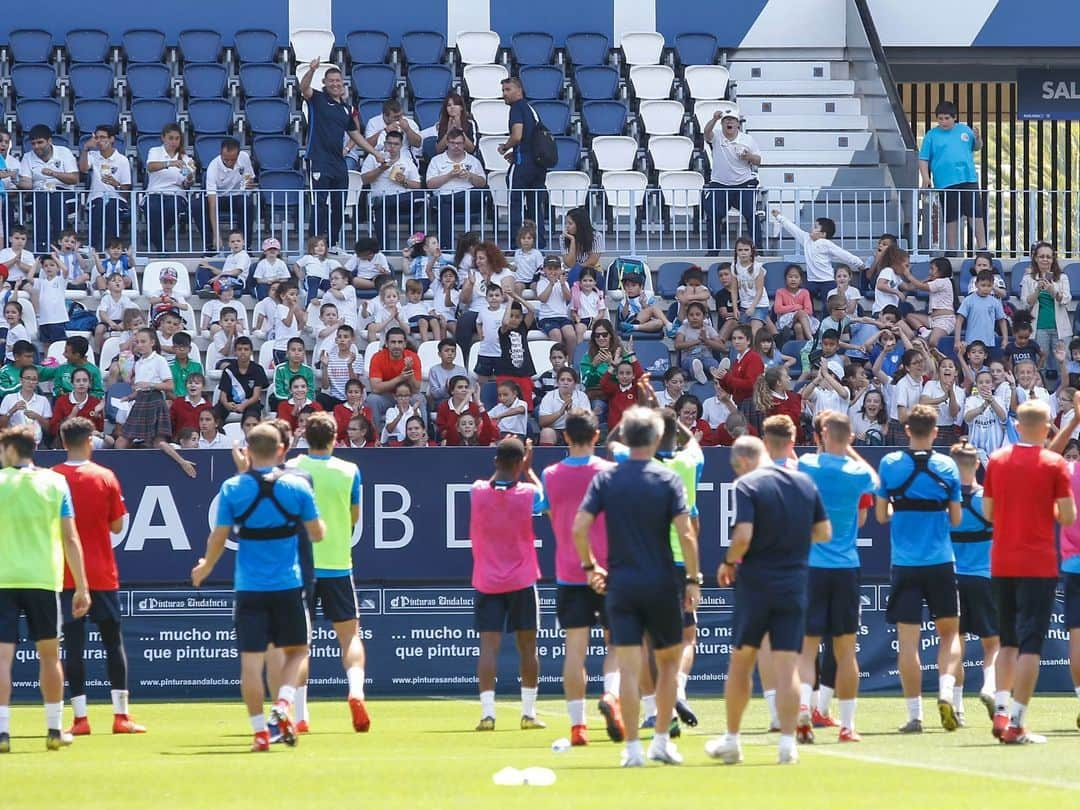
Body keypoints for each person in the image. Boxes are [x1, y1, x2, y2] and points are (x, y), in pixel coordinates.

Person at [574, 407, 700, 767]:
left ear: (626, 439)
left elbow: (579, 528)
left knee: (630, 669)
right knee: (667, 666)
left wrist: (589, 566)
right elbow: (686, 534)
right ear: (657, 439)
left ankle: (632, 750)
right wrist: (693, 579)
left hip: (622, 584)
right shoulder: (668, 480)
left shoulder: (607, 479)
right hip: (661, 583)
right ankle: (660, 740)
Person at [191, 423, 325, 752]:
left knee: (251, 663)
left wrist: (205, 567)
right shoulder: (297, 487)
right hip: (288, 585)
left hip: (249, 587)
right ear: (282, 451)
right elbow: (318, 533)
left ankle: (259, 732)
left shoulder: (233, 488)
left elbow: (219, 537)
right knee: (298, 651)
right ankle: (283, 704)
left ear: (247, 452)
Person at [704, 434, 830, 766]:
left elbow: (743, 535)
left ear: (744, 461)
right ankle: (788, 745)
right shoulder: (804, 482)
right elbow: (823, 533)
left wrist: (728, 562)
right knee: (787, 664)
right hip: (794, 583)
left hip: (756, 584)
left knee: (741, 662)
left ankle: (732, 739)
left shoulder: (748, 486)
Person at [982, 399, 1074, 744]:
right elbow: (1067, 517)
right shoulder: (1054, 464)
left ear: (1017, 425)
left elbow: (989, 513)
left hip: (1002, 560)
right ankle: (1017, 723)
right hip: (1037, 563)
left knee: (1008, 641)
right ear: (1048, 426)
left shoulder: (996, 460)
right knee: (1031, 644)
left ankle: (1002, 710)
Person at [0, 425, 91, 752]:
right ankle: (54, 729)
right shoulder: (56, 482)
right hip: (43, 580)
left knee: (2, 659)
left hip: (3, 581)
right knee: (50, 657)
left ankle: (2, 733)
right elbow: (70, 537)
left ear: (10, 450)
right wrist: (82, 586)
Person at [875, 404, 964, 733]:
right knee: (950, 635)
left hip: (905, 563)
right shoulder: (947, 466)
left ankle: (915, 715)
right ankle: (944, 691)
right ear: (936, 431)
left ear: (907, 429)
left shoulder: (890, 464)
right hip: (941, 561)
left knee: (908, 642)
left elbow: (882, 516)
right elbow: (955, 519)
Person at [51, 417, 143, 735]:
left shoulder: (52, 478)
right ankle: (121, 716)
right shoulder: (105, 477)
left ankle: (80, 719)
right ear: (90, 440)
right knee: (112, 643)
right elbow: (118, 526)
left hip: (64, 575)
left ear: (63, 442)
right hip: (102, 573)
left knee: (73, 647)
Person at [540, 409, 623, 746]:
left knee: (575, 651)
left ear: (565, 437)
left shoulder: (549, 474)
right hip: (609, 569)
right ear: (596, 438)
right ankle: (612, 696)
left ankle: (578, 726)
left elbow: (549, 513)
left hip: (569, 570)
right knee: (617, 645)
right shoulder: (611, 472)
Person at [285, 413, 369, 733]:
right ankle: (356, 691)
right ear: (335, 437)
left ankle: (301, 714)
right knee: (350, 638)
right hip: (337, 563)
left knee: (299, 644)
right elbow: (354, 517)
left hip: (301, 567)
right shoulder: (350, 471)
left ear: (306, 436)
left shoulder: (292, 469)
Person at [796, 411, 876, 743]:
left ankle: (803, 708)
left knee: (807, 648)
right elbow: (875, 477)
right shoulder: (858, 474)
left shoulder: (808, 466)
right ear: (851, 438)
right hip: (845, 568)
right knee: (846, 651)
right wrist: (850, 449)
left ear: (824, 435)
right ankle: (847, 725)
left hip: (813, 567)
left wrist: (830, 444)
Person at [470, 438, 546, 732]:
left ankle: (487, 715)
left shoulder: (477, 491)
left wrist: (510, 467)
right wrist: (527, 470)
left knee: (488, 648)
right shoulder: (529, 493)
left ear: (495, 462)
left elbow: (493, 483)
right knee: (528, 648)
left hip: (487, 580)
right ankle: (528, 714)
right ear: (519, 463)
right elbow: (545, 498)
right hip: (522, 579)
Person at [946, 440, 1000, 725]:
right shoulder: (987, 501)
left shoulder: (946, 504)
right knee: (993, 644)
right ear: (977, 465)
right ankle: (989, 687)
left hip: (953, 579)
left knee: (955, 642)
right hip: (984, 579)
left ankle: (956, 706)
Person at [300, 58, 379, 247]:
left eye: (338, 80)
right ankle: (315, 246)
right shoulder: (317, 99)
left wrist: (375, 153)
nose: (335, 84)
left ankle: (333, 244)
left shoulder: (346, 108)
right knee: (319, 204)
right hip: (318, 159)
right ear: (325, 84)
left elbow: (355, 135)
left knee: (339, 204)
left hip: (338, 162)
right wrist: (311, 70)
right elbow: (304, 88)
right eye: (331, 81)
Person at [918, 101, 985, 253]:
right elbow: (923, 158)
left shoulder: (964, 130)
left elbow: (977, 147)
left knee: (975, 214)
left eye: (947, 118)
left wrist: (978, 137)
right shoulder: (931, 135)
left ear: (954, 118)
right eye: (940, 118)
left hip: (968, 178)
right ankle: (952, 248)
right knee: (951, 216)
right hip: (945, 181)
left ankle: (982, 247)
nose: (943, 121)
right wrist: (925, 177)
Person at [771, 211, 866, 309]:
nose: (812, 228)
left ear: (823, 234)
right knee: (805, 300)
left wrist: (859, 263)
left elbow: (843, 254)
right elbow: (792, 228)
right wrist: (779, 217)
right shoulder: (806, 239)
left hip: (827, 281)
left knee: (829, 306)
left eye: (816, 227)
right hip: (811, 281)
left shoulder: (826, 243)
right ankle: (810, 321)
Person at [499, 77, 547, 249]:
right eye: (503, 90)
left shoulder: (516, 108)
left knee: (516, 206)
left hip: (522, 165)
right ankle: (539, 245)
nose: (504, 93)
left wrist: (505, 147)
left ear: (519, 90)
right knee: (535, 207)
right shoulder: (531, 109)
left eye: (508, 89)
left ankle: (517, 246)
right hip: (538, 166)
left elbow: (517, 136)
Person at [703, 112, 762, 250]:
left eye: (732, 120)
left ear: (738, 124)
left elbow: (758, 160)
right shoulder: (717, 136)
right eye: (726, 120)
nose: (729, 123)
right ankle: (713, 251)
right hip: (720, 184)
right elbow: (706, 132)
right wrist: (714, 118)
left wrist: (748, 157)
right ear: (722, 124)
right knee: (713, 216)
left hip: (744, 183)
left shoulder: (747, 139)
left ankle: (758, 249)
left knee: (751, 215)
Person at [17, 125, 79, 253]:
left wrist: (54, 174)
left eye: (40, 142)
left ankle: (61, 248)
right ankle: (41, 248)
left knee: (56, 198)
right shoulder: (28, 157)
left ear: (49, 141)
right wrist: (16, 181)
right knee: (41, 198)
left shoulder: (64, 152)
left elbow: (74, 178)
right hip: (39, 194)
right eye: (33, 143)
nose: (36, 147)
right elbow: (28, 184)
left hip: (63, 192)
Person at [426, 129, 487, 249]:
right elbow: (430, 184)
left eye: (459, 143)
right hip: (444, 199)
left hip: (467, 198)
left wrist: (470, 176)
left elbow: (482, 183)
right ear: (447, 143)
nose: (456, 146)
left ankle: (445, 249)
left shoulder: (473, 161)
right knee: (444, 206)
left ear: (464, 144)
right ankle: (446, 249)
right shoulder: (436, 160)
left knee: (475, 194)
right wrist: (449, 176)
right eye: (453, 143)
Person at [361, 130, 421, 250]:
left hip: (402, 201)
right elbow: (363, 180)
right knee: (381, 209)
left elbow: (418, 185)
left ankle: (383, 201)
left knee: (418, 195)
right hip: (381, 200)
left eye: (396, 144)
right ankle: (385, 250)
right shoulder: (374, 158)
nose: (392, 147)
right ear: (384, 143)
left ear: (401, 145)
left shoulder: (407, 162)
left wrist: (404, 181)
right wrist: (381, 169)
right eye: (389, 143)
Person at [79, 125, 132, 251]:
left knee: (111, 206)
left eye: (103, 137)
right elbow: (83, 169)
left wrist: (116, 184)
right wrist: (85, 149)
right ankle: (93, 247)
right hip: (96, 197)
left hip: (117, 199)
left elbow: (126, 190)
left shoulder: (122, 160)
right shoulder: (92, 155)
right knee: (99, 205)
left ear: (112, 139)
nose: (99, 141)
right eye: (96, 138)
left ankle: (112, 248)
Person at [144, 123, 195, 253]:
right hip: (155, 191)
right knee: (154, 207)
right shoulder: (155, 151)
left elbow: (186, 183)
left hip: (176, 193)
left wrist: (189, 178)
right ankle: (159, 245)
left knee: (173, 208)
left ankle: (153, 237)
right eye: (170, 138)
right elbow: (150, 167)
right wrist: (170, 163)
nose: (174, 141)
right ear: (163, 138)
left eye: (177, 138)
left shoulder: (186, 158)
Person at [1019, 241, 1072, 362]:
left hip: (1060, 329)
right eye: (1041, 256)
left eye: (1048, 257)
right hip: (1038, 328)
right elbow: (1026, 304)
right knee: (1039, 364)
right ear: (1036, 258)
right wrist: (1037, 289)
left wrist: (1053, 291)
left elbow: (1066, 300)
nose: (1045, 259)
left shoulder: (1062, 277)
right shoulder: (1028, 278)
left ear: (1053, 259)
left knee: (1063, 363)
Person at [366, 327, 422, 433]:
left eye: (400, 342)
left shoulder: (413, 357)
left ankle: (422, 439)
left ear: (405, 344)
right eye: (393, 342)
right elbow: (375, 388)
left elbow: (416, 389)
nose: (396, 346)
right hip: (386, 396)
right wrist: (400, 378)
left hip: (406, 396)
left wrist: (409, 373)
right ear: (387, 344)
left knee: (419, 399)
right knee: (372, 399)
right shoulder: (377, 358)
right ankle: (376, 438)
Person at [204, 137, 256, 251]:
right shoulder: (213, 167)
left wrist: (250, 184)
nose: (229, 162)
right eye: (226, 159)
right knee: (199, 206)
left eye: (233, 159)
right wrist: (216, 235)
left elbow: (249, 177)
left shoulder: (244, 157)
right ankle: (211, 246)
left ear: (238, 154)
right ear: (220, 154)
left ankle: (245, 246)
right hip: (219, 198)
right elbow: (212, 202)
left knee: (247, 203)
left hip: (238, 196)